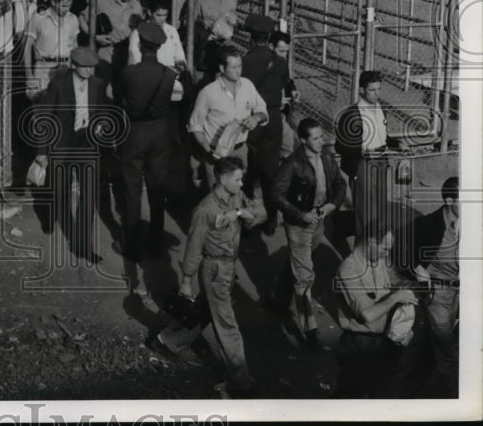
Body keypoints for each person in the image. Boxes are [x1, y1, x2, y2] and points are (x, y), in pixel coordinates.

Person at [153, 156, 265, 397]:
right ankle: (241, 381)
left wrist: (241, 212)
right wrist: (185, 280)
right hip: (214, 269)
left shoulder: (236, 196)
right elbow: (194, 245)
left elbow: (260, 214)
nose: (241, 182)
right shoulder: (205, 210)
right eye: (237, 178)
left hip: (228, 267)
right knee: (227, 325)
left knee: (206, 309)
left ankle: (168, 341)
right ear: (223, 179)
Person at [270, 118, 347, 347]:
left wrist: (332, 205)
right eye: (315, 138)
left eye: (321, 136)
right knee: (304, 277)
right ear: (303, 140)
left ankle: (279, 301)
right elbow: (275, 193)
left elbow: (340, 184)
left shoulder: (327, 157)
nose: (320, 141)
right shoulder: (293, 163)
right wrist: (299, 214)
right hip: (299, 225)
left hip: (319, 221)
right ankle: (310, 330)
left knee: (298, 264)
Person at [32, 45, 111, 266]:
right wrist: (42, 152)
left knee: (89, 195)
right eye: (84, 67)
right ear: (74, 65)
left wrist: (101, 125)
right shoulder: (58, 84)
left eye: (92, 67)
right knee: (61, 190)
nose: (89, 71)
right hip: (63, 144)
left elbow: (102, 110)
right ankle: (49, 215)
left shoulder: (97, 84)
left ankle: (83, 245)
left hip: (87, 144)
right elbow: (45, 118)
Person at [333, 219, 424, 398]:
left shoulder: (377, 259)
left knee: (383, 394)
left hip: (382, 340)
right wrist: (397, 297)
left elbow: (393, 279)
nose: (386, 254)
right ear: (372, 242)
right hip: (360, 345)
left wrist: (415, 282)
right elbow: (367, 314)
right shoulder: (349, 269)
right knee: (351, 398)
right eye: (385, 248)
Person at [115, 21, 178, 270]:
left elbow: (121, 100)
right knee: (157, 189)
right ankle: (156, 243)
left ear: (140, 45)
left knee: (132, 191)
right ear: (160, 47)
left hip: (134, 133)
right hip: (160, 133)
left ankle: (132, 247)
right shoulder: (169, 74)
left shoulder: (128, 73)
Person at [396, 176, 460, 397]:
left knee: (427, 343)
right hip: (437, 294)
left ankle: (403, 385)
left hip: (458, 294)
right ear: (450, 200)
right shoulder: (429, 224)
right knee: (448, 349)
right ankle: (457, 400)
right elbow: (399, 250)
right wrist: (416, 268)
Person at [335, 70, 408, 241]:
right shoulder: (351, 114)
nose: (377, 94)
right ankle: (362, 251)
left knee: (381, 207)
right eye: (372, 90)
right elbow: (340, 146)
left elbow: (381, 137)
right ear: (361, 90)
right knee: (365, 212)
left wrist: (396, 144)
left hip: (381, 162)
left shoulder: (380, 109)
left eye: (379, 89)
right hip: (363, 165)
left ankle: (377, 246)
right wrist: (360, 151)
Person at [241, 14, 296, 234]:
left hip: (253, 119)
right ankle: (271, 221)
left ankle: (248, 219)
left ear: (251, 38)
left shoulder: (244, 62)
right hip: (273, 119)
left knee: (248, 170)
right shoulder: (280, 61)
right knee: (270, 171)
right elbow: (284, 82)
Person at [187, 47, 268, 189]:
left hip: (240, 150)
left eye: (240, 66)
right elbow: (195, 126)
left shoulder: (247, 85)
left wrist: (256, 117)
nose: (239, 71)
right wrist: (209, 151)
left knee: (239, 192)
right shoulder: (208, 93)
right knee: (218, 195)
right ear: (222, 68)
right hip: (217, 153)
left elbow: (263, 111)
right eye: (234, 67)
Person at [23, 0, 80, 98]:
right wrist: (29, 75)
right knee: (42, 107)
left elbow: (74, 45)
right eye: (63, 5)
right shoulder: (38, 18)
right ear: (53, 2)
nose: (67, 9)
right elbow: (26, 47)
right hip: (43, 69)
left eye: (69, 6)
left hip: (65, 68)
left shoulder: (73, 19)